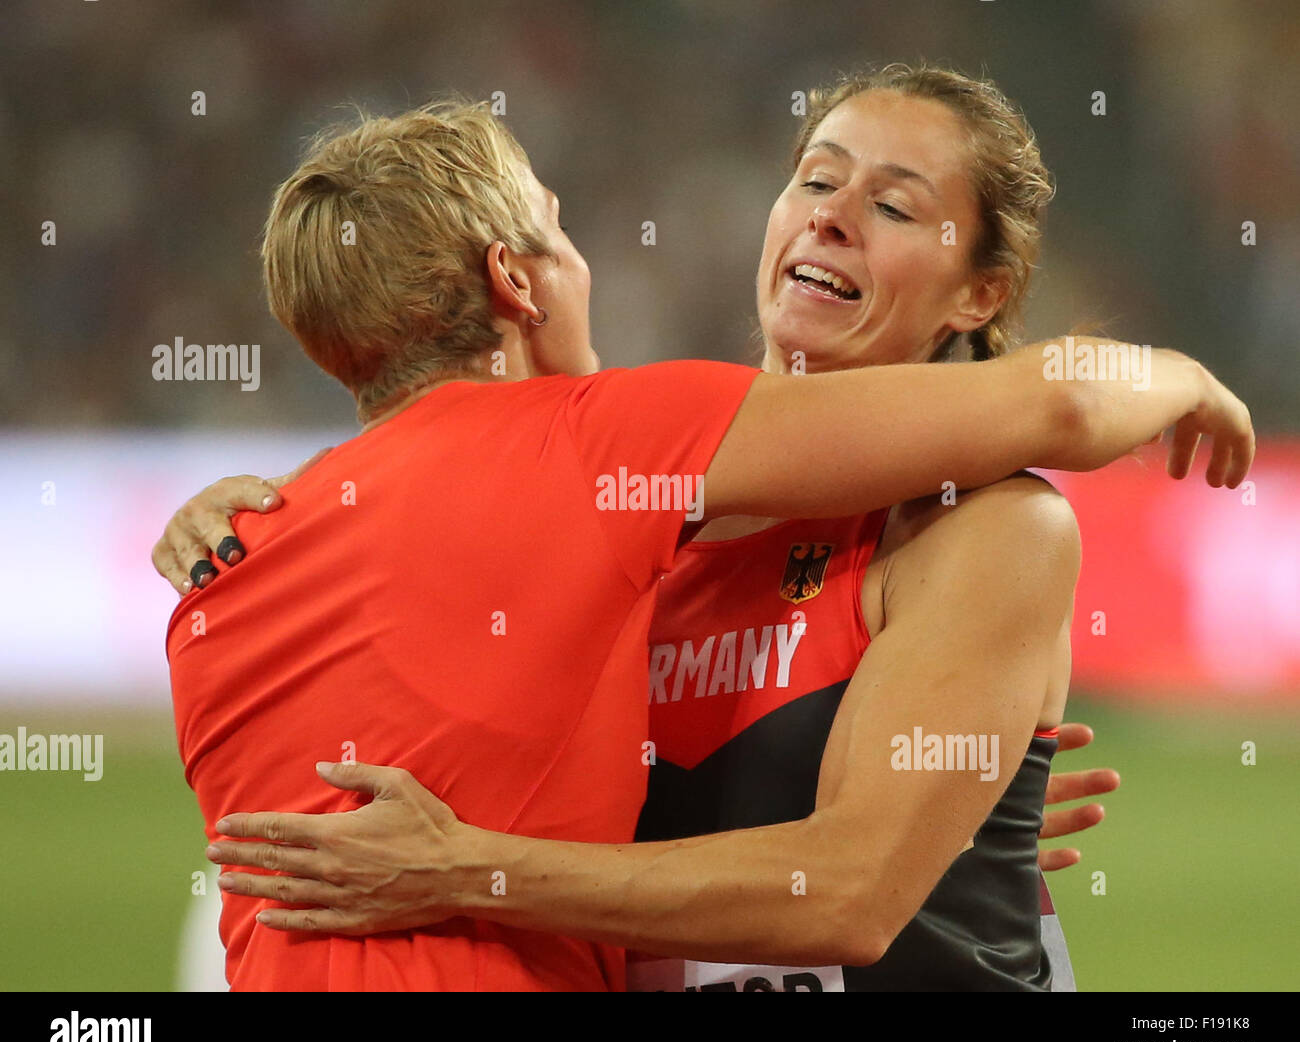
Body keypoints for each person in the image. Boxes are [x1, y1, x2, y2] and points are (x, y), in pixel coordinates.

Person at [157, 97, 1253, 991]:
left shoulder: (986, 525)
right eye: (816, 179)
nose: (830, 216)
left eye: (892, 205)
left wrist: (469, 872)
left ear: (983, 292)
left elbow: (850, 893)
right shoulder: (629, 526)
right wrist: (248, 509)